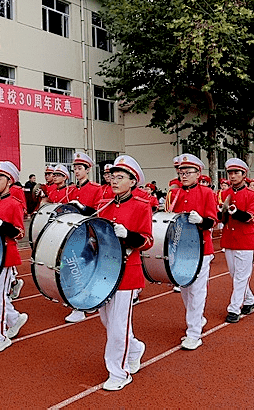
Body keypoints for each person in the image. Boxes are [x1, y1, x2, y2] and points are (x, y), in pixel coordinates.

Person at [95, 155, 153, 391]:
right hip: (104, 270)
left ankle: (119, 372)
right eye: (113, 177)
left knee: (118, 325)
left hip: (128, 271)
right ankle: (135, 348)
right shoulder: (104, 206)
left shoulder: (141, 206)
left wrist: (128, 234)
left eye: (121, 178)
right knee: (107, 319)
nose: (115, 181)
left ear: (133, 182)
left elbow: (147, 240)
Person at [166, 154, 216, 350]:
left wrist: (202, 220)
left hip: (201, 249)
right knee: (185, 289)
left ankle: (194, 333)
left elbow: (213, 220)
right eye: (181, 172)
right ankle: (197, 318)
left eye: (188, 172)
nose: (184, 175)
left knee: (196, 291)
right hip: (181, 249)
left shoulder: (206, 193)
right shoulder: (175, 194)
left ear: (198, 173)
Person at [0, 161, 29, 352]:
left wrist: (2, 225)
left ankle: (0, 337)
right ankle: (14, 319)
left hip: (5, 255)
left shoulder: (14, 204)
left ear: (9, 181)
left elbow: (19, 233)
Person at [218, 158, 254, 323]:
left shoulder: (252, 195)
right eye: (230, 173)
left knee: (241, 276)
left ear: (244, 175)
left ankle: (234, 309)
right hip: (229, 239)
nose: (233, 176)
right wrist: (221, 212)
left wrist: (236, 212)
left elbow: (251, 217)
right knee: (235, 274)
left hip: (245, 240)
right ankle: (249, 300)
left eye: (236, 173)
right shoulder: (223, 194)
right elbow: (221, 219)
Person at [64, 152, 103, 324]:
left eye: (80, 168)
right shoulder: (71, 189)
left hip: (89, 233)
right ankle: (83, 300)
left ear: (88, 170)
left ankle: (80, 306)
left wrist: (83, 208)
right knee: (74, 266)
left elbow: (98, 212)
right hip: (73, 233)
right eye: (75, 168)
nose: (77, 171)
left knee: (84, 267)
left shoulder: (96, 189)